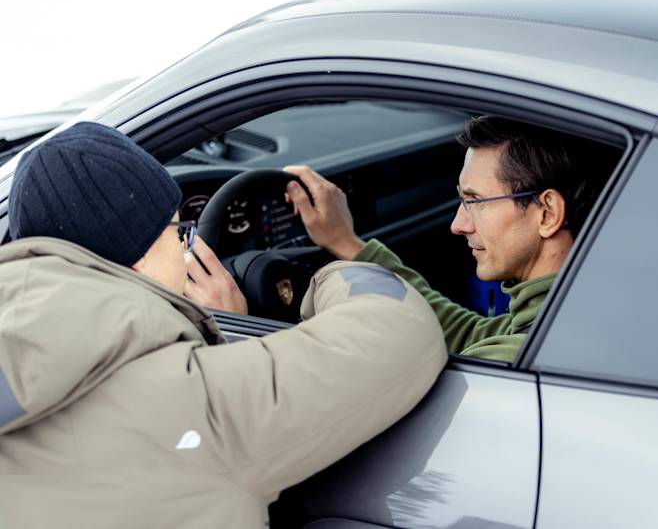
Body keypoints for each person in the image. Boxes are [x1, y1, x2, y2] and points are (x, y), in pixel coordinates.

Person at [0, 122, 447, 528]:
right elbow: (399, 324)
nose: (186, 248)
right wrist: (327, 273)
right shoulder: (196, 405)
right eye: (179, 233)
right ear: (137, 255)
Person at [284, 116, 618, 363]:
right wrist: (346, 242)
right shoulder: (585, 310)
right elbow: (467, 333)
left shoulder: (514, 359)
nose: (458, 225)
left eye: (474, 201)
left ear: (546, 214)